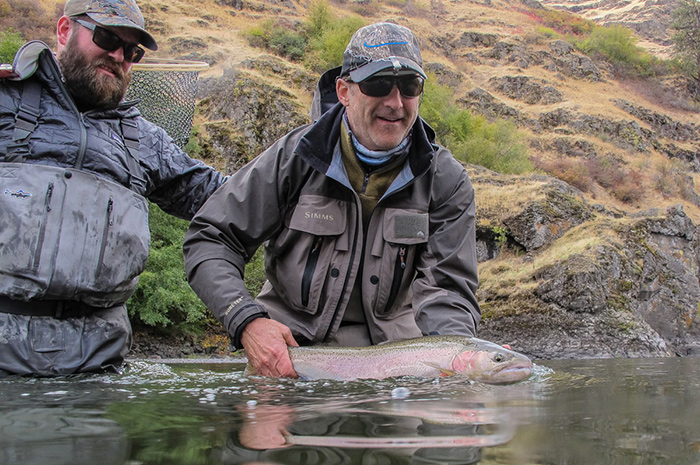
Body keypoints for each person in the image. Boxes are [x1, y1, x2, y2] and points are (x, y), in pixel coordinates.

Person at [183, 22, 480, 378]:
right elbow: (211, 238)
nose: (395, 102)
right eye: (378, 83)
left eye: (409, 86)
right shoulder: (295, 158)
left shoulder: (445, 180)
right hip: (286, 362)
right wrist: (247, 322)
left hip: (399, 373)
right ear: (344, 90)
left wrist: (462, 357)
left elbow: (448, 290)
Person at [0, 0, 226, 376]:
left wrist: (305, 180)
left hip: (98, 368)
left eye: (132, 50)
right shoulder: (6, 102)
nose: (118, 55)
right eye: (106, 36)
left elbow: (231, 198)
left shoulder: (143, 139)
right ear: (63, 31)